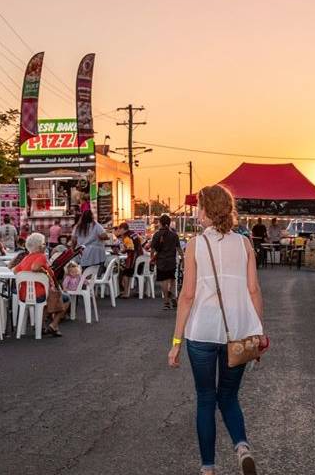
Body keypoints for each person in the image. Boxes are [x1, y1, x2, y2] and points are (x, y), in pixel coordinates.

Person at [167, 185, 265, 475]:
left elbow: (187, 296)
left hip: (202, 331)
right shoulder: (245, 244)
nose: (197, 214)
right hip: (239, 330)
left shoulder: (196, 244)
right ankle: (241, 446)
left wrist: (175, 341)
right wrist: (258, 334)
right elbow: (254, 290)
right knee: (229, 396)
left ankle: (208, 468)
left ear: (207, 211)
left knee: (206, 398)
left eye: (199, 208)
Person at [11, 232, 69, 337]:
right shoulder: (41, 257)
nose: (45, 246)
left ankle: (41, 326)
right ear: (40, 246)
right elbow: (34, 268)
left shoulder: (26, 258)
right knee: (65, 298)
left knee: (46, 303)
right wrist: (43, 272)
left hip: (24, 295)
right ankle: (54, 325)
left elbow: (15, 271)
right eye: (44, 244)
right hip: (40, 293)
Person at [151, 214, 181, 310]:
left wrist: (152, 259)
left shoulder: (156, 235)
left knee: (164, 281)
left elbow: (152, 249)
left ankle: (166, 302)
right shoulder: (174, 235)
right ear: (169, 223)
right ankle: (172, 294)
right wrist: (183, 259)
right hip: (171, 260)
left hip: (161, 261)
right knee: (172, 279)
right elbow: (179, 248)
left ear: (160, 223)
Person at [114, 222, 143, 298]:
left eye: (120, 229)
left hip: (132, 257)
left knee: (125, 274)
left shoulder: (127, 236)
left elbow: (130, 248)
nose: (119, 231)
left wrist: (123, 251)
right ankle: (127, 291)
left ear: (123, 229)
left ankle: (126, 293)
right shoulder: (133, 233)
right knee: (129, 274)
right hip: (140, 257)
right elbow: (140, 242)